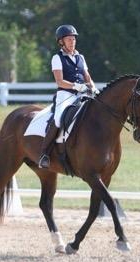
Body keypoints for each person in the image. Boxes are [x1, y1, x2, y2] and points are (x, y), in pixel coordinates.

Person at [38, 24, 99, 169]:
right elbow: (59, 81)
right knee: (58, 119)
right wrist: (76, 86)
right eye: (69, 39)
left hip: (82, 93)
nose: (72, 42)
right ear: (61, 42)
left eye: (74, 39)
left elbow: (87, 77)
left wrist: (93, 88)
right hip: (65, 94)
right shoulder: (57, 58)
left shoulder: (80, 57)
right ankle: (44, 154)